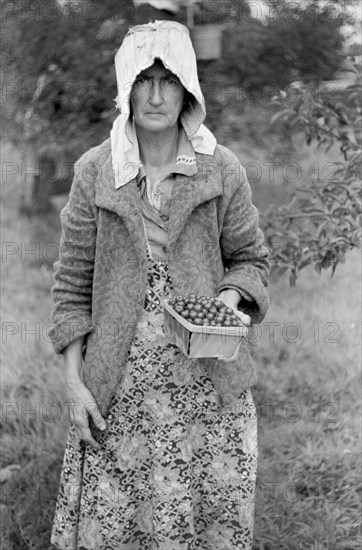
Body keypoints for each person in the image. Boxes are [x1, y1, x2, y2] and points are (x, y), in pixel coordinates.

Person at [49, 20, 270, 550]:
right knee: (120, 526)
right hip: (120, 388)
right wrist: (76, 384)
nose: (155, 94)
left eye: (168, 80)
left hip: (206, 383)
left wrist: (226, 301)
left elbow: (251, 260)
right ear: (126, 88)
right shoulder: (94, 172)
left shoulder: (221, 169)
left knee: (204, 523)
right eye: (143, 79)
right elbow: (72, 290)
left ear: (187, 88)